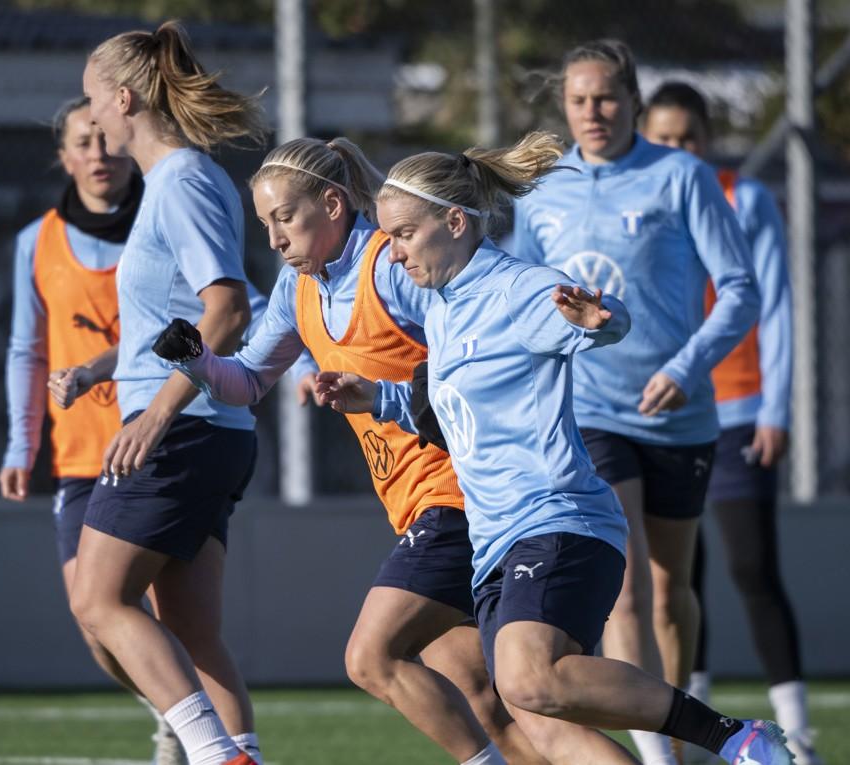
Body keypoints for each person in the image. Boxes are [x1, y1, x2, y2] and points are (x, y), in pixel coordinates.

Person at [315, 133, 795, 765]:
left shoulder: (517, 290)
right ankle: (728, 738)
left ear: (454, 221)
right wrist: (377, 397)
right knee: (538, 719)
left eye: (403, 233)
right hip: (496, 541)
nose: (392, 251)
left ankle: (733, 738)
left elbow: (593, 316)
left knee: (528, 679)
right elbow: (453, 413)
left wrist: (601, 320)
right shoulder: (442, 307)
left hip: (556, 521)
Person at [152, 137, 546, 765]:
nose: (275, 238)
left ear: (332, 205)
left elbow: (477, 330)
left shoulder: (392, 265)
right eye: (265, 224)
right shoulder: (297, 288)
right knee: (490, 700)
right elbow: (247, 382)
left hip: (464, 493)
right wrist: (196, 359)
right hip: (416, 506)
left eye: (286, 217)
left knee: (371, 657)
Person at [510, 39, 762, 765]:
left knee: (667, 590)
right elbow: (525, 294)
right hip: (589, 412)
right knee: (623, 591)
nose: (593, 111)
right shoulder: (544, 188)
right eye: (579, 98)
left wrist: (687, 368)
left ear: (634, 104)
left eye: (607, 97)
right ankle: (656, 757)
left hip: (679, 417)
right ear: (564, 104)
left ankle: (678, 730)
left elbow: (740, 288)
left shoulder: (681, 176)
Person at [48, 21, 265, 765]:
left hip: (184, 430)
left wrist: (156, 414)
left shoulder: (183, 181)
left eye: (92, 100)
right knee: (194, 634)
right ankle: (241, 756)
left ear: (124, 97)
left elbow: (228, 309)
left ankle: (214, 755)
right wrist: (102, 369)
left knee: (97, 601)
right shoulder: (174, 184)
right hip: (205, 430)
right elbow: (174, 320)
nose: (92, 119)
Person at [0, 96, 188, 764]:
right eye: (84, 141)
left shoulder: (165, 223)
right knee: (94, 616)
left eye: (109, 139)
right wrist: (23, 443)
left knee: (164, 611)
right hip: (83, 455)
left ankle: (207, 734)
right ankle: (176, 714)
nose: (99, 154)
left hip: (160, 443)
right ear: (65, 154)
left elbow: (231, 302)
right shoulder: (37, 241)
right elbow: (28, 349)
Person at [644, 81, 818, 765]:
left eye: (687, 137)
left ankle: (798, 734)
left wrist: (777, 408)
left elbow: (773, 305)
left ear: (706, 139)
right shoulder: (638, 203)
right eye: (662, 137)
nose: (676, 149)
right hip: (668, 416)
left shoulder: (746, 199)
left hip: (741, 411)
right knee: (676, 580)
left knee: (753, 566)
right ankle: (692, 731)